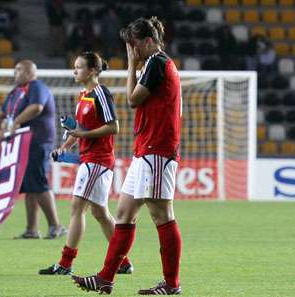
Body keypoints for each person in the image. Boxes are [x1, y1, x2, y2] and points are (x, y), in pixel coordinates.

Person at [72, 17, 183, 295]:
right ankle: (106, 277)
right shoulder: (154, 63)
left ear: (147, 41)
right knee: (123, 213)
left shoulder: (157, 62)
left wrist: (132, 64)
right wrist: (134, 63)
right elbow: (134, 97)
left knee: (162, 215)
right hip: (145, 150)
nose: (132, 51)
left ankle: (171, 284)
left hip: (157, 149)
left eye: (133, 46)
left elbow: (132, 99)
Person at [38, 52, 134, 276]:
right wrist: (65, 147)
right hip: (90, 160)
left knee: (77, 208)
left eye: (79, 67)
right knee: (100, 213)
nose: (75, 71)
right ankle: (123, 262)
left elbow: (114, 127)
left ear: (91, 71)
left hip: (98, 161)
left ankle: (65, 264)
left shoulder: (101, 93)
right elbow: (80, 129)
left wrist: (83, 134)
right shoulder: (84, 95)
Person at [0, 60, 67, 239]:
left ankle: (56, 226)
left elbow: (36, 108)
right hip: (22, 143)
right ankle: (32, 229)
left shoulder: (37, 87)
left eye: (18, 70)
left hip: (38, 141)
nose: (15, 73)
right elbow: (2, 114)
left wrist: (16, 122)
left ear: (29, 72)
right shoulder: (15, 92)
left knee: (39, 182)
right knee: (30, 186)